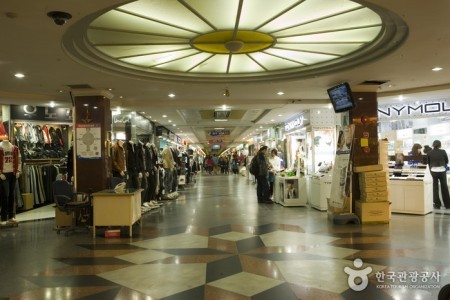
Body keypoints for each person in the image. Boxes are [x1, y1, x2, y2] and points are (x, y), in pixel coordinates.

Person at [0, 138, 22, 225]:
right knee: (5, 195)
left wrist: (18, 171)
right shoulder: (0, 147)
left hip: (12, 174)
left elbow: (19, 160)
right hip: (3, 175)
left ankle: (11, 216)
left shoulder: (15, 148)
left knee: (12, 196)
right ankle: (3, 217)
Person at [427, 140, 450, 209]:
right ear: (440, 145)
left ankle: (437, 204)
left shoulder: (429, 152)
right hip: (442, 170)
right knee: (444, 187)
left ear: (433, 144)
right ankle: (447, 204)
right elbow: (447, 161)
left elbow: (428, 162)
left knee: (435, 187)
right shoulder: (443, 151)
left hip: (433, 171)